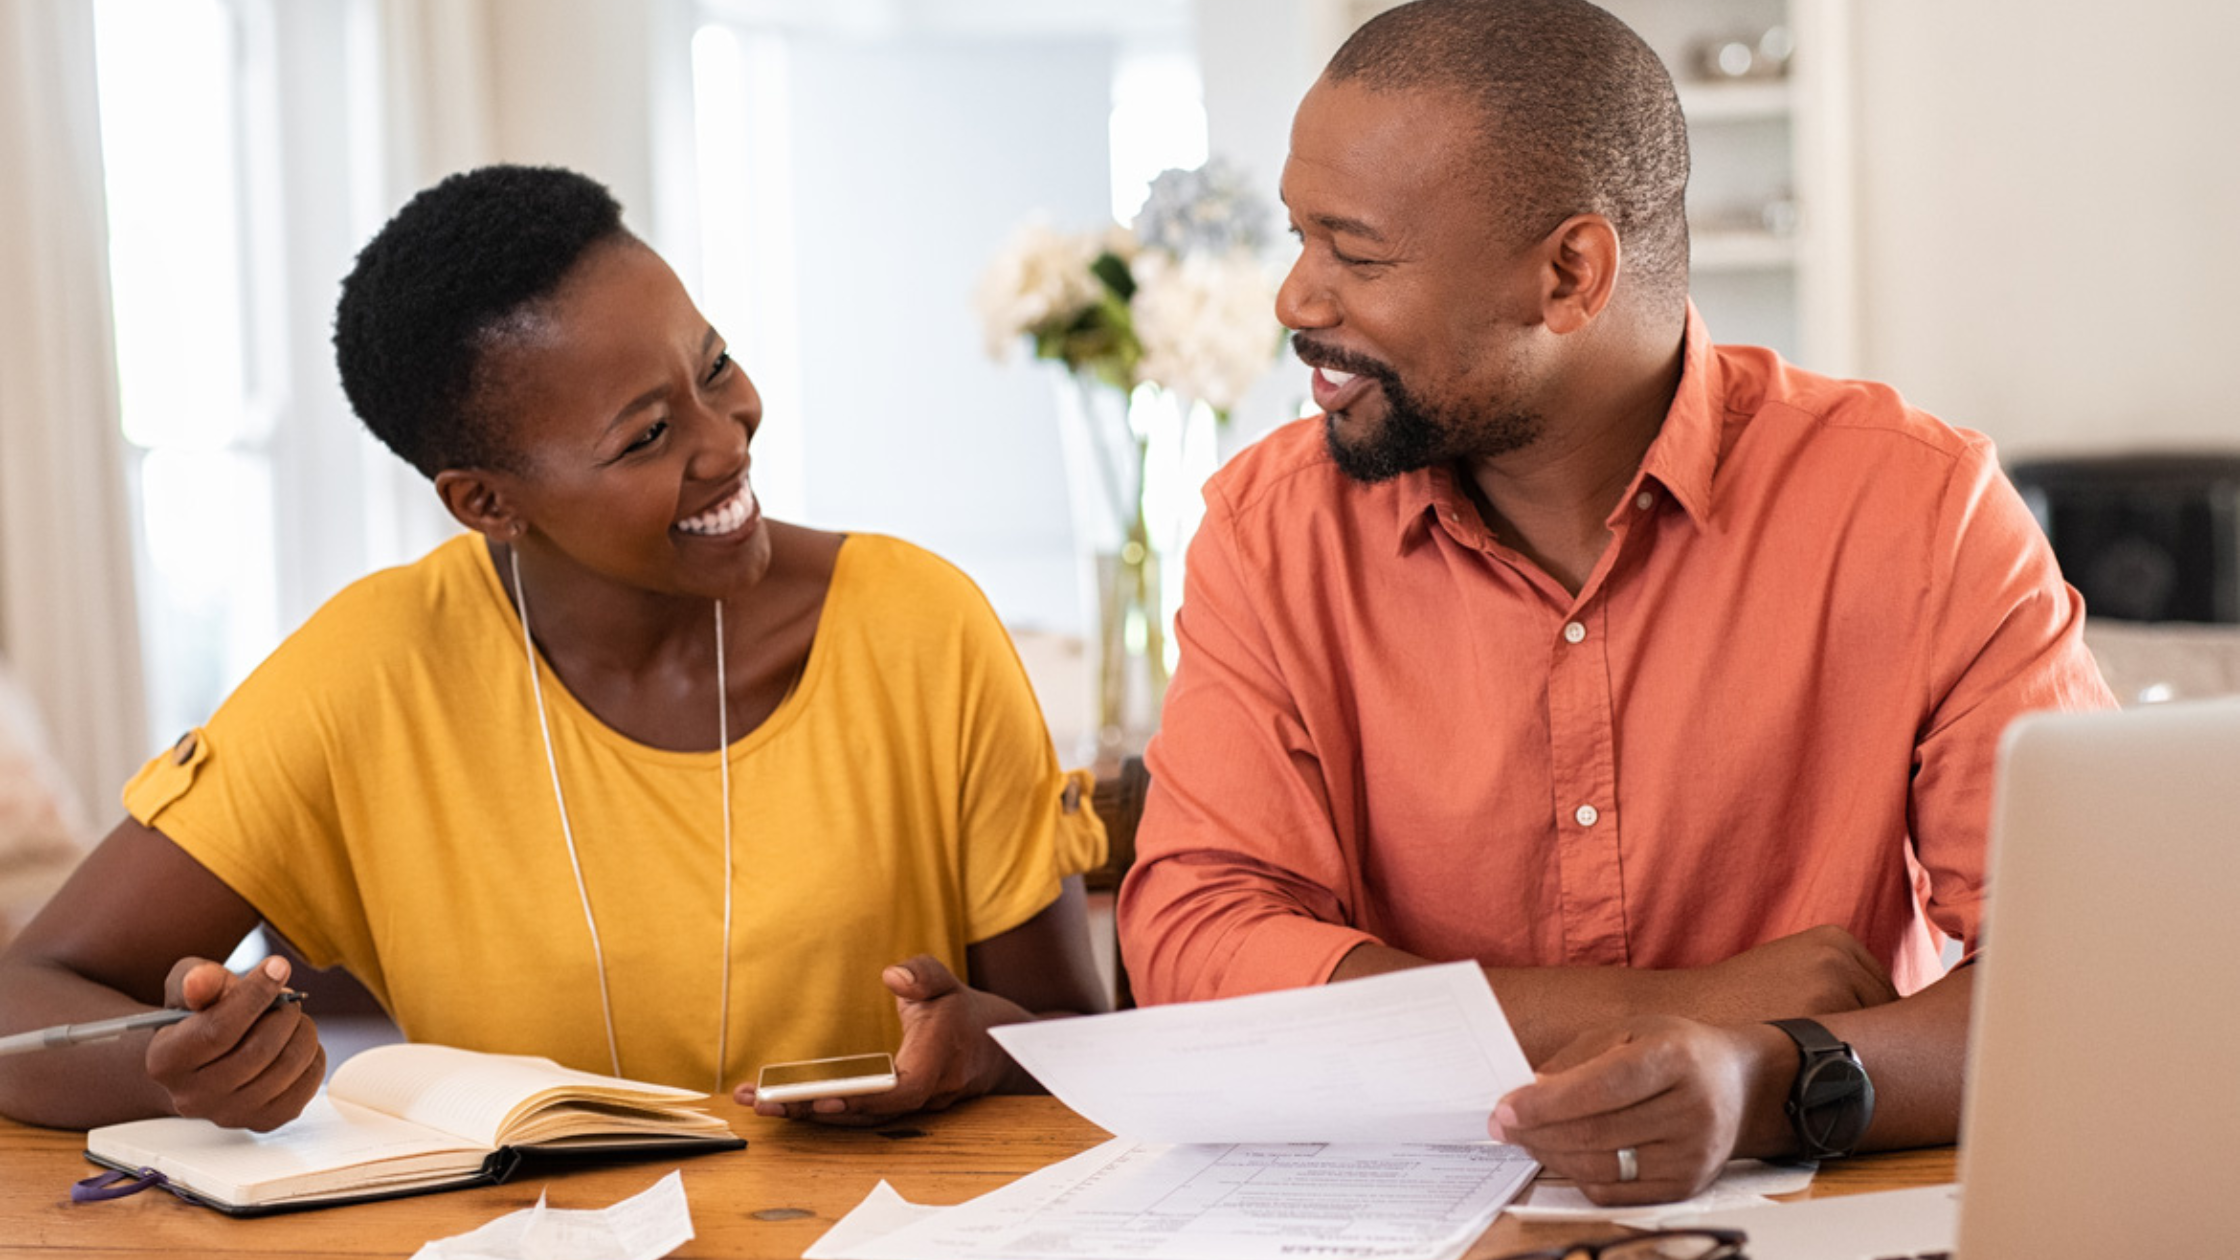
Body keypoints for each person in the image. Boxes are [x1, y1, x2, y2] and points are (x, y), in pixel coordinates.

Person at [1116, 0, 2115, 1205]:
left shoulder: (1917, 510)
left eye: (1354, 252)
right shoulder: (1269, 532)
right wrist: (1671, 1009)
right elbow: (1196, 942)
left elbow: (2084, 978)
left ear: (1569, 273)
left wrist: (1762, 1073)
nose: (1294, 300)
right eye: (1297, 237)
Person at [0, 164, 1108, 1133]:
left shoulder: (919, 625)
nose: (729, 438)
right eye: (647, 435)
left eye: (713, 367)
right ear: (486, 502)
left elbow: (1072, 1040)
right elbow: (31, 990)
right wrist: (167, 1067)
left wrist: (970, 1051)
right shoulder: (373, 672)